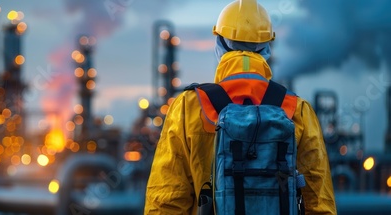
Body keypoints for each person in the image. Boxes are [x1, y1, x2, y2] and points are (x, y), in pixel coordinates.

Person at [144, 0, 337, 214]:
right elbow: (318, 201)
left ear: (219, 44)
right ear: (267, 48)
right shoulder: (297, 109)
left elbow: (167, 199)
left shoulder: (188, 106)